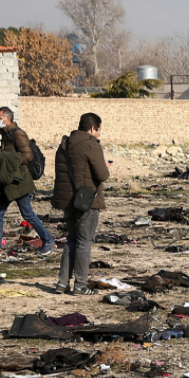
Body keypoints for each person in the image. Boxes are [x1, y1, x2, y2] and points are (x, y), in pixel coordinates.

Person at [0, 107, 54, 257]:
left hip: (18, 181)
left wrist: (6, 161)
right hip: (7, 180)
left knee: (27, 214)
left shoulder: (18, 134)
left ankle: (48, 240)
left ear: (7, 118)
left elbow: (27, 155)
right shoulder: (5, 134)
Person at [51, 113, 109, 294]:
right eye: (99, 130)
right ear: (93, 128)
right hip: (86, 201)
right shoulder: (91, 145)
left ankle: (62, 283)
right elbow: (102, 175)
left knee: (71, 240)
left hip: (67, 200)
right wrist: (106, 166)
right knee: (84, 242)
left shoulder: (64, 145)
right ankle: (80, 286)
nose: (99, 133)